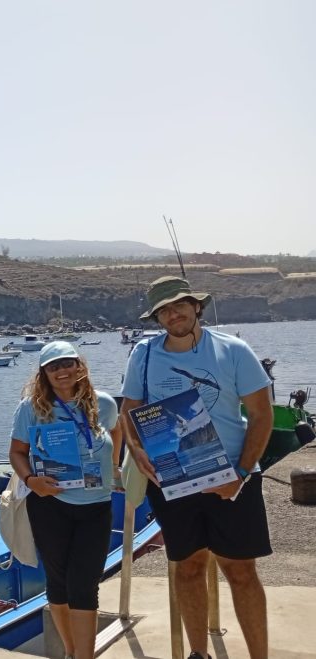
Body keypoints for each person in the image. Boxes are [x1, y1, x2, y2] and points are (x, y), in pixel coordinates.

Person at [120, 276, 273, 659]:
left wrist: (239, 475)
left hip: (233, 478)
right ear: (157, 318)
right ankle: (198, 654)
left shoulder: (234, 350)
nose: (173, 314)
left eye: (179, 305)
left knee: (241, 573)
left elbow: (261, 415)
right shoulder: (144, 353)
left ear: (196, 306)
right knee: (187, 568)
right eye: (164, 310)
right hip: (174, 480)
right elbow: (130, 412)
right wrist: (138, 453)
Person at [8, 341, 122, 659]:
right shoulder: (30, 408)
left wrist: (113, 467)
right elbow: (17, 452)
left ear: (79, 366)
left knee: (84, 584)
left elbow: (117, 430)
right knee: (58, 583)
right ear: (44, 373)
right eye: (53, 366)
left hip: (96, 506)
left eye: (67, 364)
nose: (62, 371)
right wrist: (32, 481)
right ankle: (72, 651)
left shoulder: (104, 404)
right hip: (49, 505)